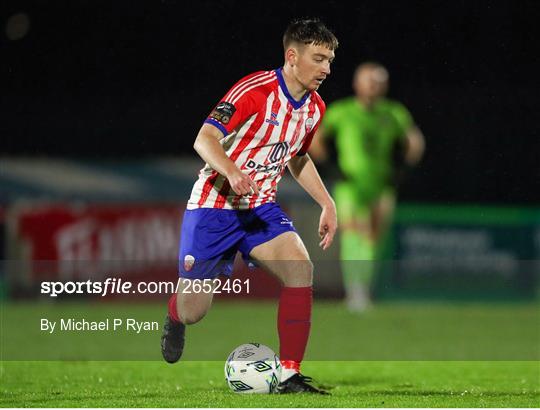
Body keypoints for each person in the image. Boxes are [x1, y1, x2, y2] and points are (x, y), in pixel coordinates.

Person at [161, 18, 338, 394]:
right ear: (292, 56)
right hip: (214, 206)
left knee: (300, 269)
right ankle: (175, 314)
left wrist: (327, 203)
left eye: (330, 60)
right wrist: (231, 170)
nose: (326, 68)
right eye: (319, 58)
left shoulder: (315, 107)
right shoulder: (254, 90)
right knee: (195, 311)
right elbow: (205, 138)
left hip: (259, 209)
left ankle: (288, 375)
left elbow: (298, 158)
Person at [310, 62, 425, 312]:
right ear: (357, 84)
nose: (374, 86)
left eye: (379, 82)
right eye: (369, 81)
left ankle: (365, 290)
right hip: (350, 186)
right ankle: (355, 292)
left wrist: (402, 170)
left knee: (374, 239)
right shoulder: (342, 111)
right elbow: (316, 139)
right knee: (353, 234)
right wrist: (332, 168)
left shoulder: (394, 113)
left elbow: (414, 142)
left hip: (381, 186)